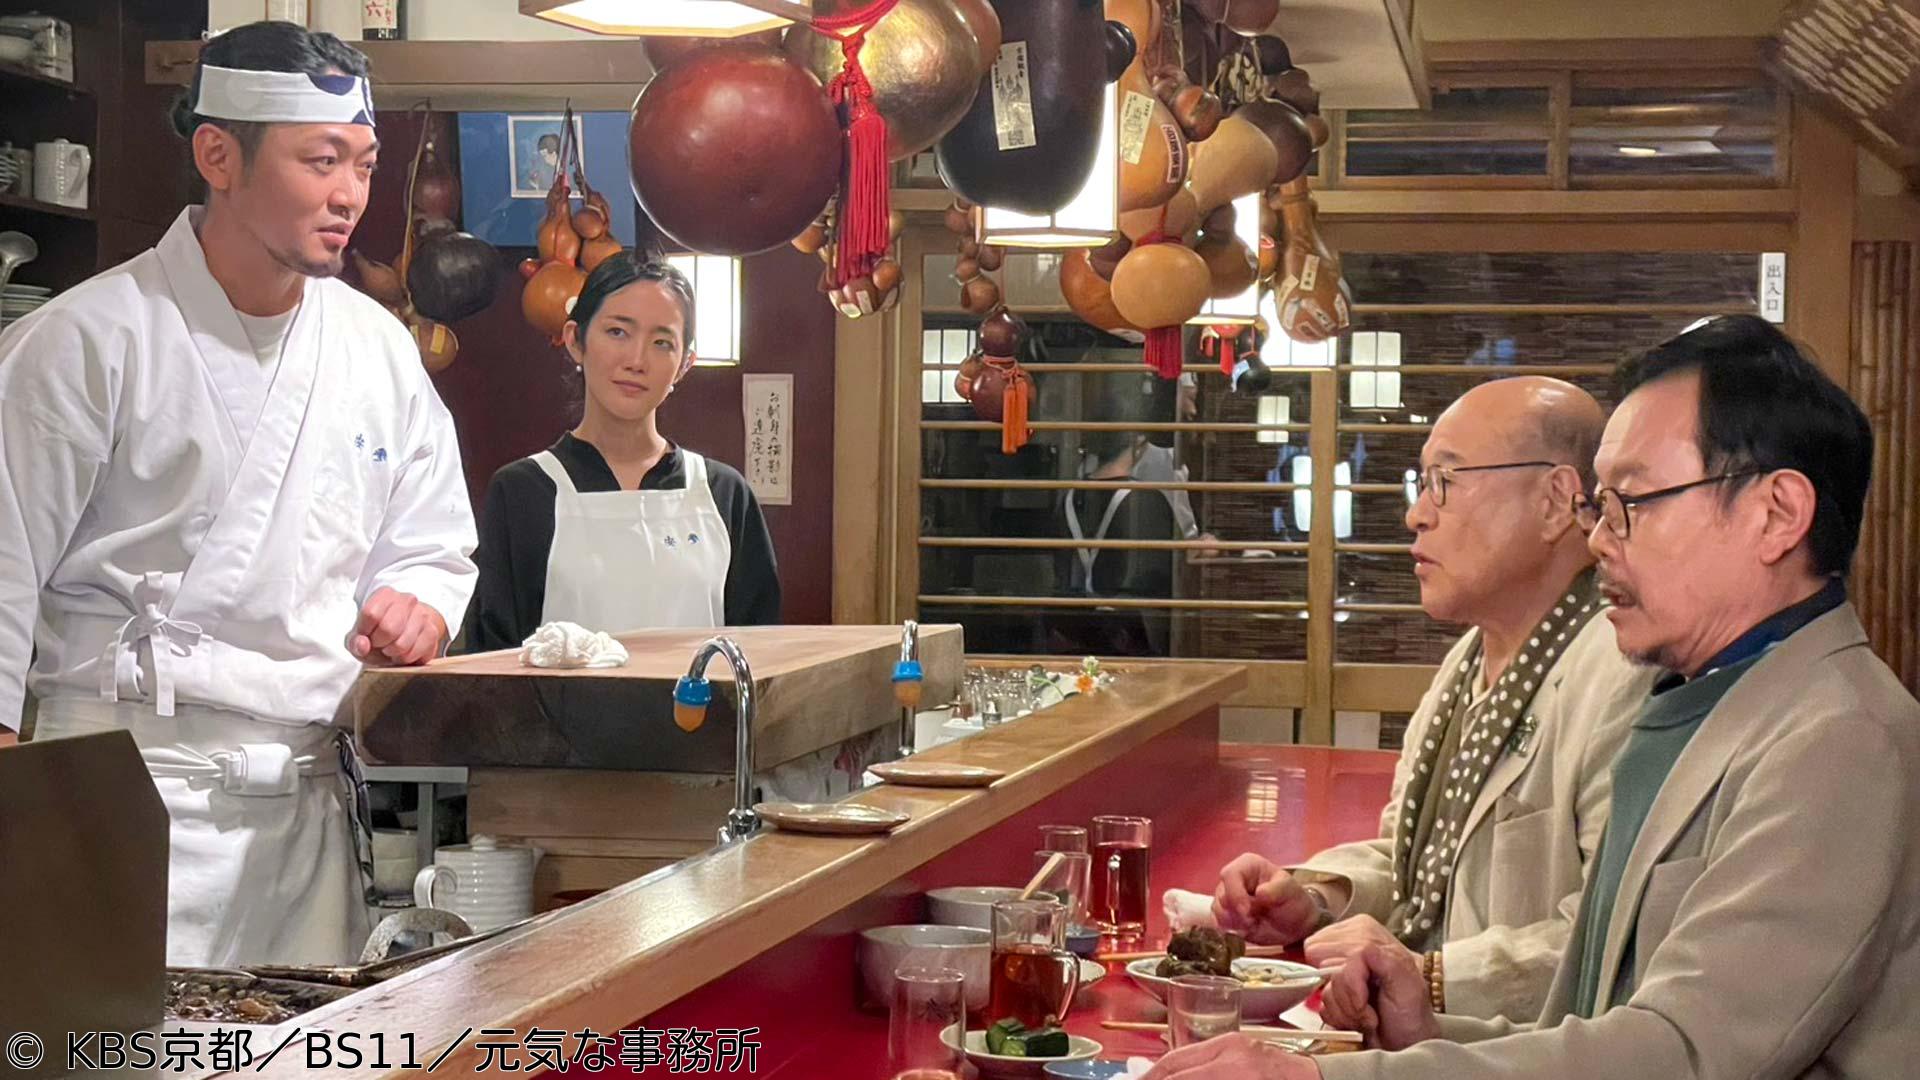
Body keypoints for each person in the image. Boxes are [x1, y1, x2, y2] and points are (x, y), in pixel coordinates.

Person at [1153, 316, 1920, 1079]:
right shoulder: (1713, 698)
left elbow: (1685, 1053)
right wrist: (1431, 1023)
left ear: (1777, 514)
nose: (1598, 538)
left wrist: (1323, 1078)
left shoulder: (1842, 737)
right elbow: (1596, 1016)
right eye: (1603, 503)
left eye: (1635, 501)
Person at [0, 22, 477, 965]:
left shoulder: (377, 348)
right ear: (218, 154)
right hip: (117, 793)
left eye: (366, 164)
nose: (350, 195)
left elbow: (432, 541)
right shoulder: (85, 343)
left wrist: (420, 606)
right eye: (321, 160)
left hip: (305, 808)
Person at [1210, 377, 1653, 1021]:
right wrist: (1313, 897)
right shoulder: (1468, 659)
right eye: (1420, 486)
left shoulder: (1621, 672)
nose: (1417, 513)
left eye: (1444, 482)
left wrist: (1430, 976)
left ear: (1557, 501)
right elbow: (1418, 869)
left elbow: (1618, 943)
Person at [461, 252, 779, 652]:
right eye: (617, 332)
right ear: (576, 340)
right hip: (559, 716)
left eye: (662, 342)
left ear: (684, 364)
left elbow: (760, 653)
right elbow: (491, 663)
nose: (636, 360)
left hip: (700, 715)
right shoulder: (524, 491)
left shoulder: (723, 495)